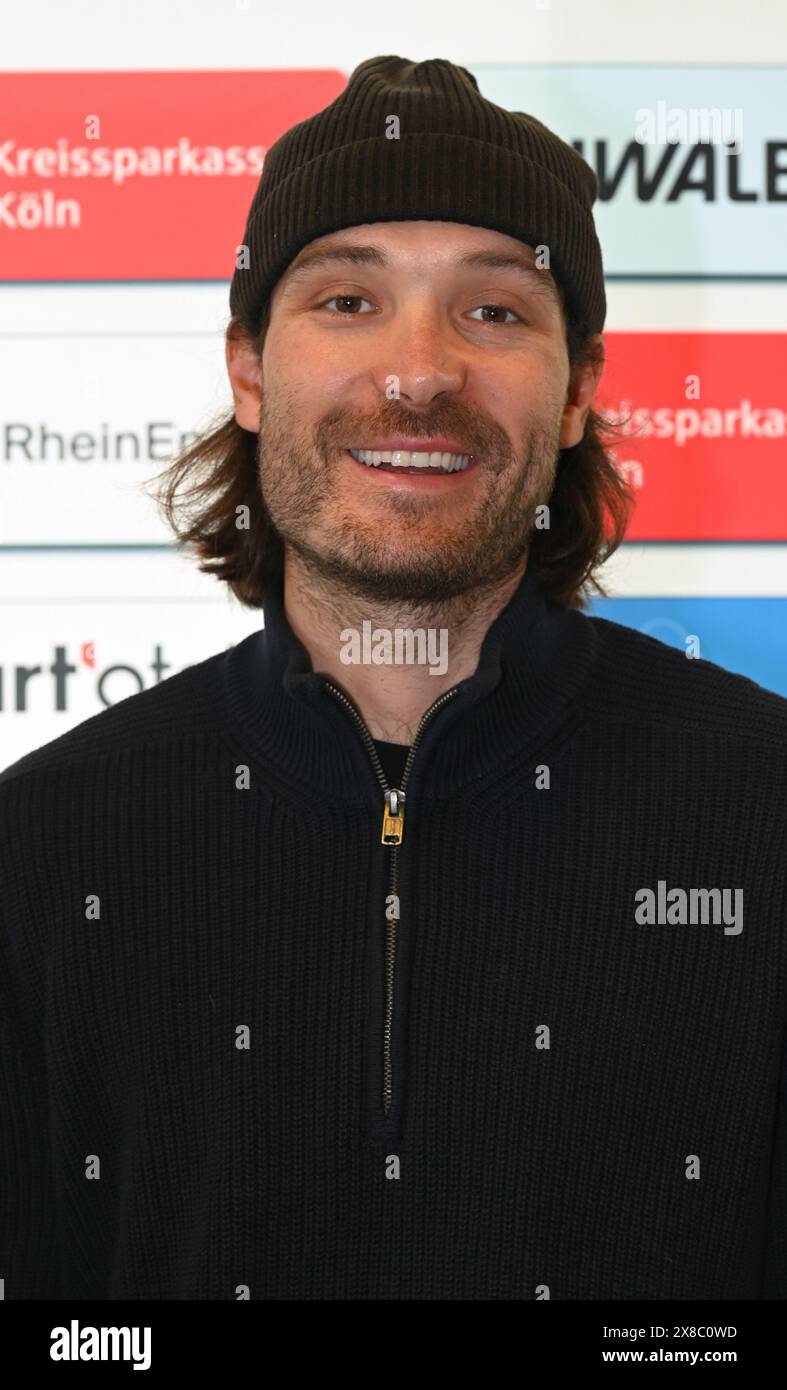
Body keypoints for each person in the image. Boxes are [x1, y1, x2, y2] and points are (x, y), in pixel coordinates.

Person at [1, 55, 785, 1301]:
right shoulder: (43, 840)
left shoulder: (766, 807)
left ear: (577, 389)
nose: (418, 373)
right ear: (250, 370)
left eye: (493, 311)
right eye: (349, 301)